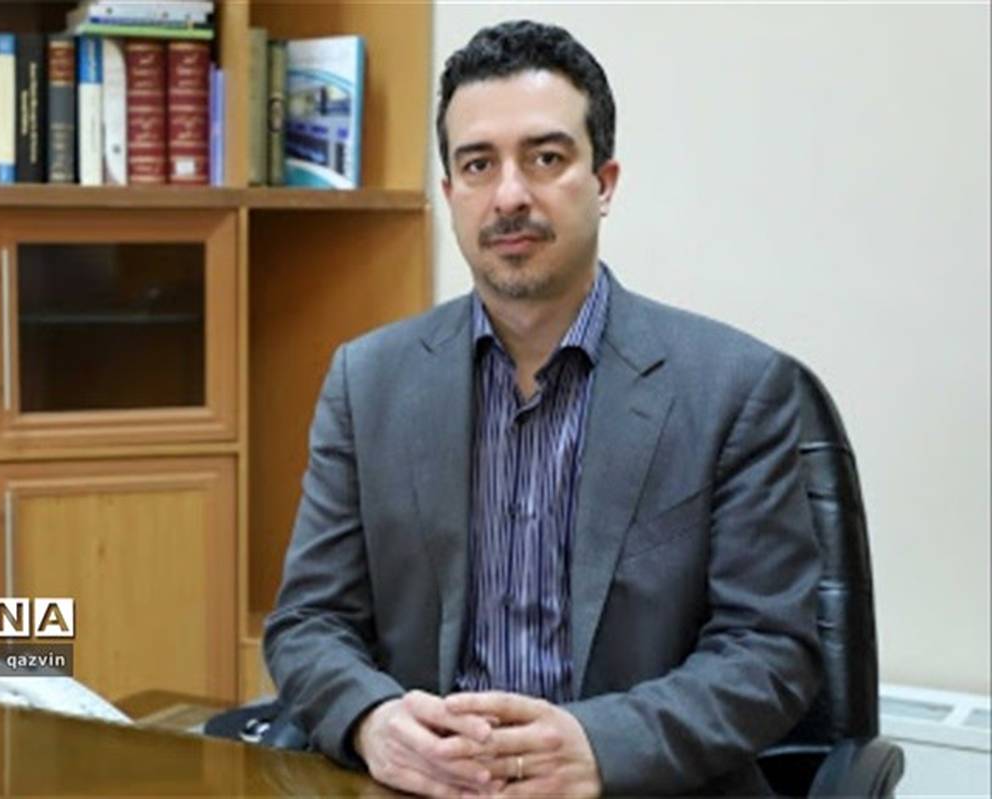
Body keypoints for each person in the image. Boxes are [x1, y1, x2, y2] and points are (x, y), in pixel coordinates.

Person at [263, 19, 822, 798]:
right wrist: (373, 720)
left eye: (546, 158)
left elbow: (770, 651)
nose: (510, 195)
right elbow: (308, 622)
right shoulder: (369, 382)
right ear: (450, 194)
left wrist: (600, 746)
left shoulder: (735, 387)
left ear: (605, 182)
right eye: (478, 164)